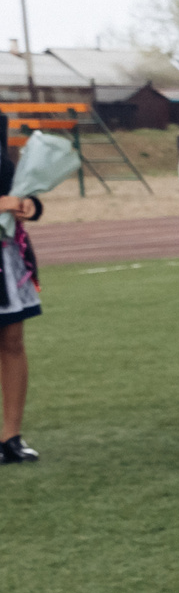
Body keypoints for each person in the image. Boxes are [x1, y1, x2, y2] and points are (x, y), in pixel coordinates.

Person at [0, 130, 42, 463]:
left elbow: (12, 185)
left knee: (13, 341)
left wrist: (29, 203)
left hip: (6, 255)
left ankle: (10, 436)